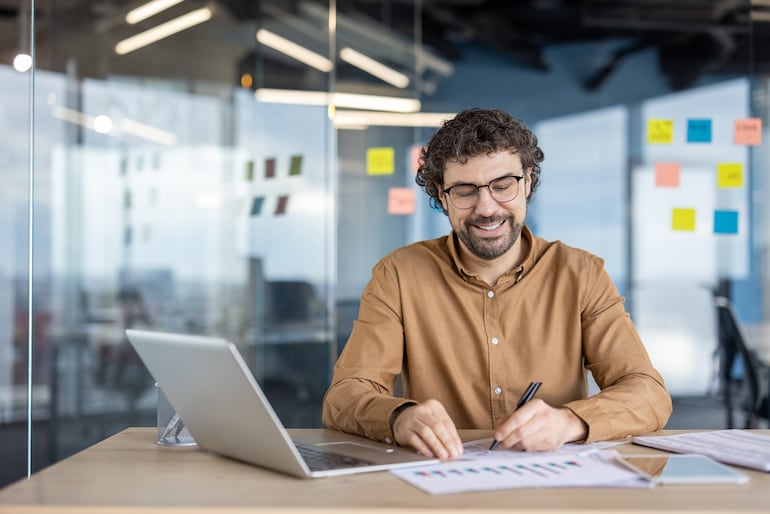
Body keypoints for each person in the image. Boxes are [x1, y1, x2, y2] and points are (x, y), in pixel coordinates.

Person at [322, 108, 672, 460]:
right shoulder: (397, 274)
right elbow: (344, 396)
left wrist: (570, 422)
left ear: (528, 183)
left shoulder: (581, 274)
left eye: (503, 186)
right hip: (442, 481)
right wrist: (398, 417)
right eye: (464, 191)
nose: (487, 208)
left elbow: (649, 394)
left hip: (553, 486)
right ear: (442, 197)